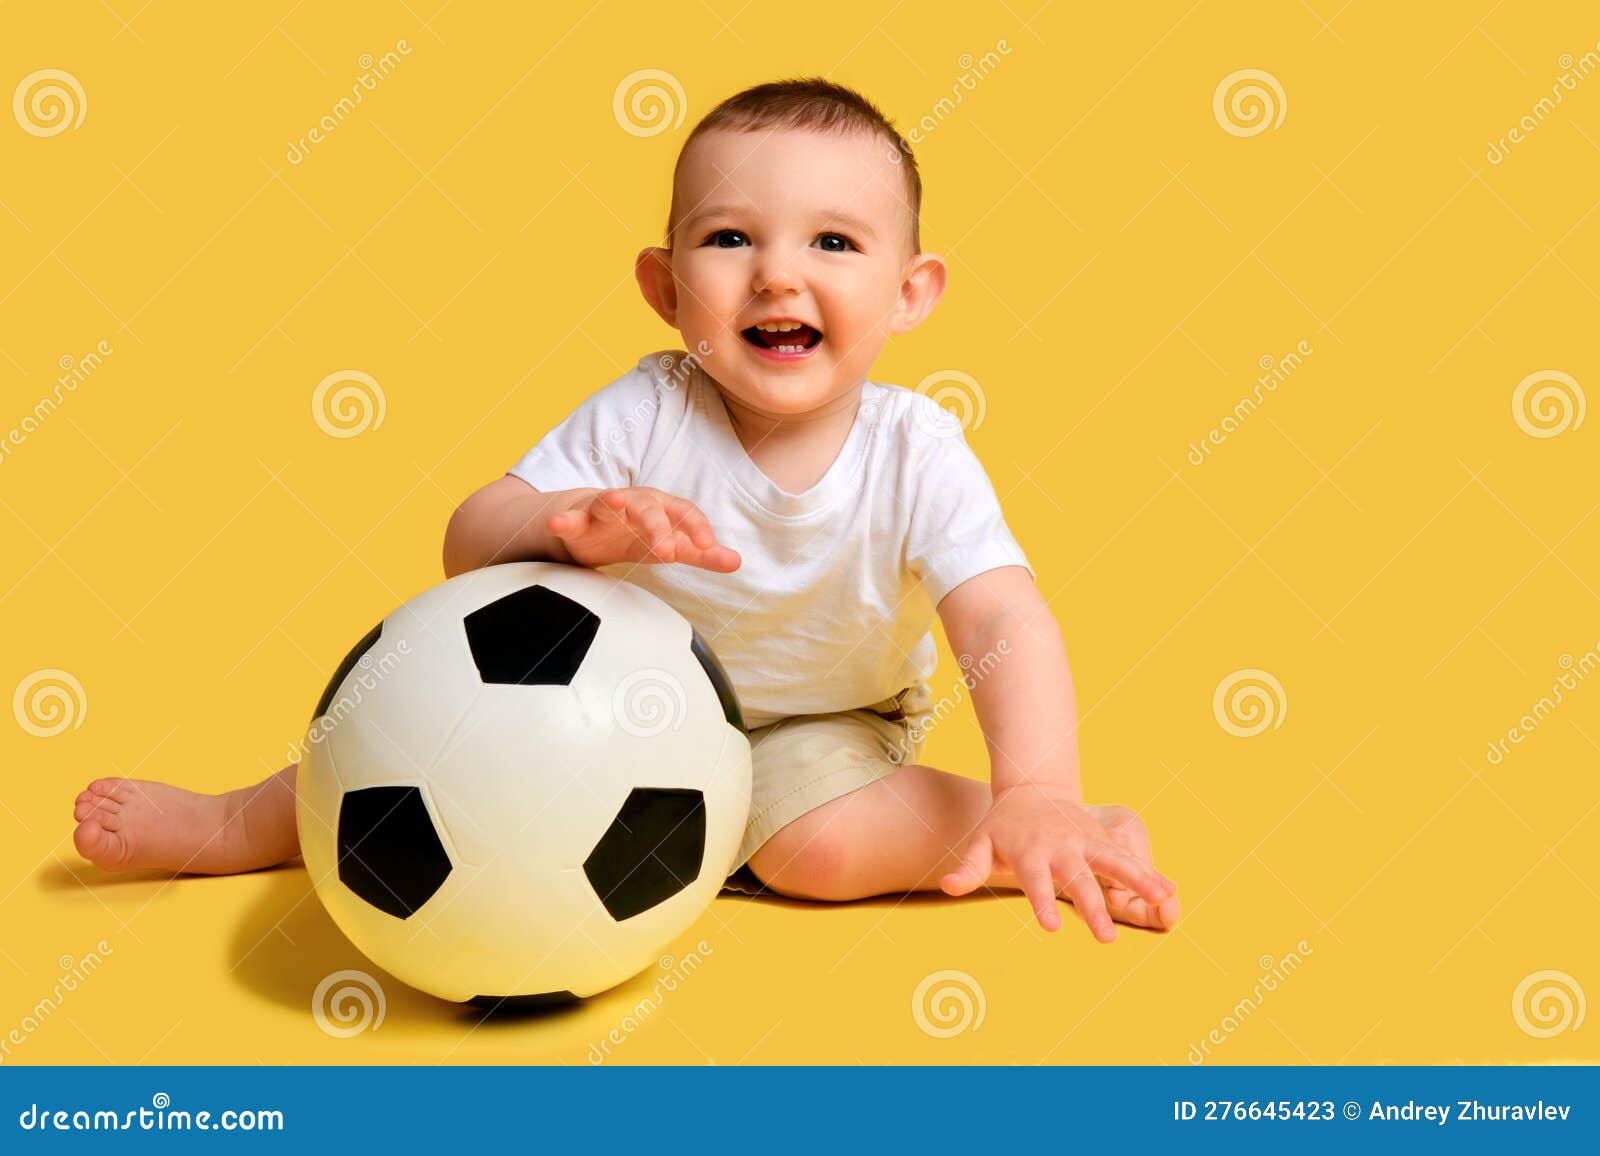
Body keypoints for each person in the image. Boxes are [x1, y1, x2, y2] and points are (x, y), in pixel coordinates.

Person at [72, 78, 1178, 941]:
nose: (777, 277)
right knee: (415, 730)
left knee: (822, 859)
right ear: (663, 285)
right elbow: (469, 539)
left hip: (822, 725)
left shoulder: (914, 447)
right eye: (729, 237)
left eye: (833, 242)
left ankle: (1036, 830)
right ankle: (234, 823)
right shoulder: (649, 408)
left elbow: (1001, 620)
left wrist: (1042, 783)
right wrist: (570, 523)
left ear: (909, 291)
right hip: (607, 697)